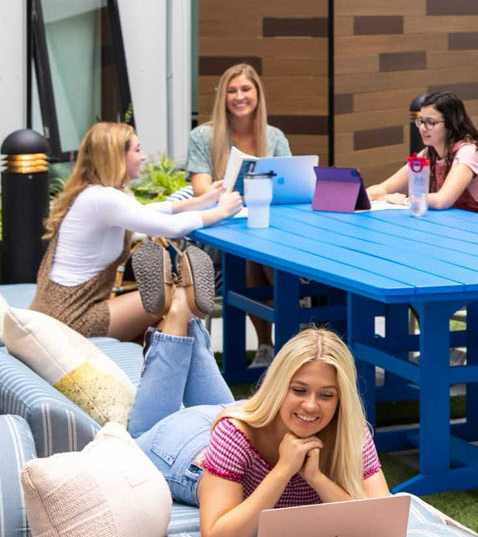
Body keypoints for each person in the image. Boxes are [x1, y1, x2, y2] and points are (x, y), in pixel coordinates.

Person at [120, 293, 387, 532]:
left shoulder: (351, 430)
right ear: (279, 387)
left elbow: (381, 524)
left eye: (327, 395)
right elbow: (217, 532)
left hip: (240, 415)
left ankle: (189, 307)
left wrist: (315, 478)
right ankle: (179, 311)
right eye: (299, 390)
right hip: (184, 447)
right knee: (138, 435)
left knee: (235, 418)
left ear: (341, 400)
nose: (311, 405)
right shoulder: (233, 435)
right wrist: (283, 470)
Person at [30, 122, 239, 340]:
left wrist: (200, 201)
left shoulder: (93, 194)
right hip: (71, 319)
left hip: (57, 312)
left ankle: (158, 356)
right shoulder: (104, 199)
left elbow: (143, 211)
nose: (144, 156)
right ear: (117, 156)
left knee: (163, 318)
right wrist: (221, 211)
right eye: (137, 150)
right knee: (182, 300)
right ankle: (164, 365)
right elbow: (171, 227)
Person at [188, 63, 292, 368]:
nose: (239, 96)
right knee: (257, 255)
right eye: (232, 90)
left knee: (269, 253)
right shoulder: (203, 136)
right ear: (222, 97)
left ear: (257, 94)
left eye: (245, 89)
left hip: (271, 229)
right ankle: (280, 339)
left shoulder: (274, 137)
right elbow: (200, 190)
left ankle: (277, 343)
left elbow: (290, 184)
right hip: (222, 235)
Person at [366, 91, 478, 221]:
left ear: (451, 124)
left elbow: (442, 200)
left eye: (431, 122)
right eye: (421, 121)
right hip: (462, 224)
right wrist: (363, 196)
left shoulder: (468, 152)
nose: (423, 128)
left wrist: (404, 200)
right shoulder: (428, 153)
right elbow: (385, 187)